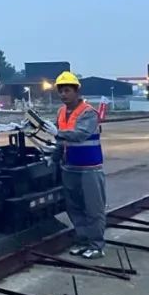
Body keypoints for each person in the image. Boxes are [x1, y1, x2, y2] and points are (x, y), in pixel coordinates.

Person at [53, 71, 106, 259]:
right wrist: (54, 158)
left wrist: (56, 133)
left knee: (93, 209)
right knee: (74, 208)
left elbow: (79, 135)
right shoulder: (61, 112)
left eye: (67, 90)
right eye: (60, 91)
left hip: (90, 168)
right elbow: (60, 141)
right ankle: (83, 241)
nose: (63, 95)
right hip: (70, 167)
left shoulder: (89, 113)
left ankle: (97, 245)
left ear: (76, 91)